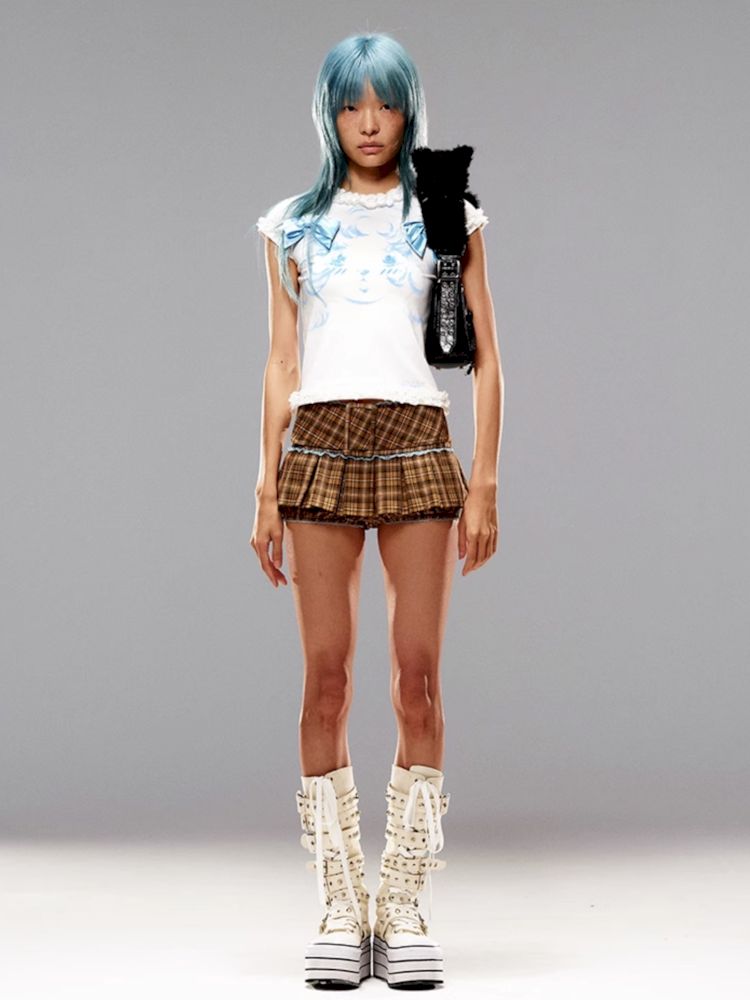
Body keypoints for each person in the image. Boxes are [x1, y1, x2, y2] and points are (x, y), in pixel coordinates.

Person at [250, 32, 503, 989]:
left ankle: (400, 902)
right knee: (325, 679)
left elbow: (487, 359)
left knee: (418, 680)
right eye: (351, 104)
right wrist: (264, 483)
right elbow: (281, 359)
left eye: (385, 104)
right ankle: (338, 899)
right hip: (318, 444)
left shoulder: (447, 214)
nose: (369, 122)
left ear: (407, 111)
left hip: (417, 442)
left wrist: (484, 478)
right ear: (329, 113)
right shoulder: (290, 225)